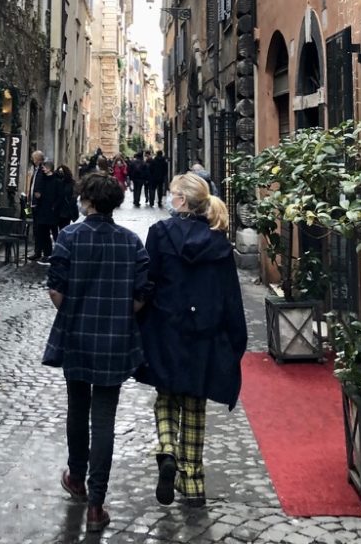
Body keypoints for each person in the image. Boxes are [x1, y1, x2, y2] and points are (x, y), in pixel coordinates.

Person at [43, 173, 150, 534]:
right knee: (104, 418)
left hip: (77, 335)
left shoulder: (70, 237)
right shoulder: (131, 242)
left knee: (77, 407)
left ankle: (76, 476)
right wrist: (118, 313)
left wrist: (76, 310)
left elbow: (56, 290)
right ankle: (96, 504)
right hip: (115, 339)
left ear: (86, 201)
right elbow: (142, 294)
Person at [136, 172, 247, 509]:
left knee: (166, 397)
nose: (170, 198)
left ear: (182, 200)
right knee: (196, 404)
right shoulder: (218, 241)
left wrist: (138, 321)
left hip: (166, 327)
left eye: (173, 194)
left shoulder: (160, 233)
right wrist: (235, 341)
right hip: (204, 331)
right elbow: (230, 295)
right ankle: (194, 483)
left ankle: (167, 450)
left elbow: (148, 281)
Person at [31, 159, 61, 265]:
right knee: (43, 233)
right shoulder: (42, 179)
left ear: (49, 168)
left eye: (44, 167)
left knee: (55, 232)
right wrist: (38, 197)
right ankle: (46, 254)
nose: (42, 169)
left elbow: (59, 196)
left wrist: (54, 207)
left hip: (52, 212)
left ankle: (57, 253)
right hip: (42, 210)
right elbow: (37, 191)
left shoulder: (57, 181)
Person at [55, 164, 78, 229]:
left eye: (62, 172)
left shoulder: (71, 183)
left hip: (66, 211)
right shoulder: (56, 182)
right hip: (58, 210)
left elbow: (73, 196)